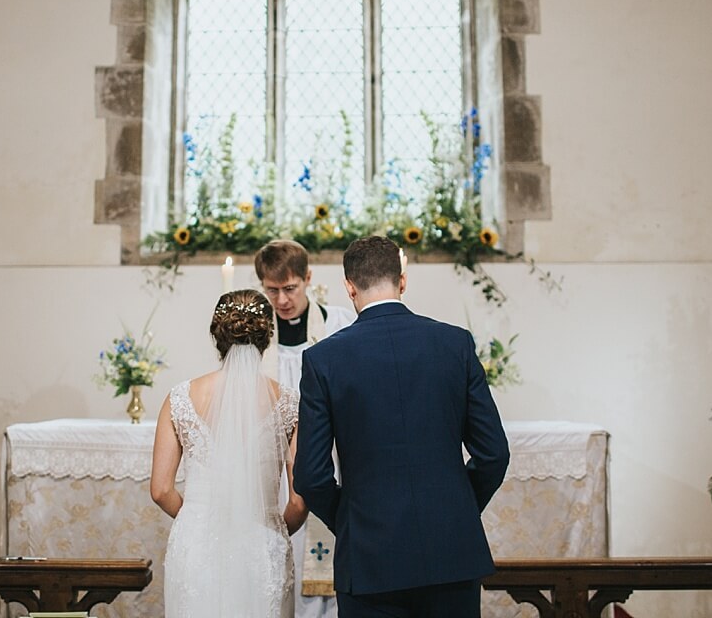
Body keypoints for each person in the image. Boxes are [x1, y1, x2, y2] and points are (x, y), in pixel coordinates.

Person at [294, 235, 510, 618]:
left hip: (369, 555)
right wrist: (456, 506)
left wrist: (350, 520)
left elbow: (311, 476)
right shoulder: (454, 344)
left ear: (349, 286)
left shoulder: (323, 360)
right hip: (451, 549)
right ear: (403, 280)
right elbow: (493, 453)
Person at [151, 289, 307, 618]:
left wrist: (196, 517)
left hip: (196, 543)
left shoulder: (179, 397)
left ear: (216, 335)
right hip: (262, 543)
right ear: (268, 336)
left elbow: (161, 490)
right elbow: (299, 500)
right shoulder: (290, 403)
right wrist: (273, 528)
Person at [254, 239, 355, 618]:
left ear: (308, 278)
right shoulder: (257, 340)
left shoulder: (340, 324)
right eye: (272, 290)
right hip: (278, 466)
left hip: (332, 459)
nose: (281, 300)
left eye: (290, 288)